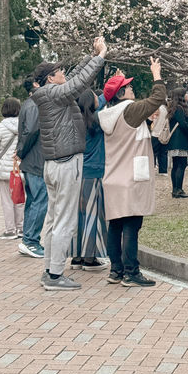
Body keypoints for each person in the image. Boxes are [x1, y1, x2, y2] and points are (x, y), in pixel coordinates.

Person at [32, 36, 107, 291]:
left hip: (54, 164)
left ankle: (49, 270)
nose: (63, 72)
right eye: (58, 71)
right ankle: (55, 275)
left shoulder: (48, 94)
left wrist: (90, 54)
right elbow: (79, 83)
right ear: (50, 79)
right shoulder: (56, 94)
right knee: (65, 220)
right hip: (66, 164)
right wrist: (100, 57)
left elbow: (75, 76)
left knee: (53, 219)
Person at [99, 57, 167, 287]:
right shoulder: (130, 110)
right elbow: (158, 98)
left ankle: (116, 271)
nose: (131, 88)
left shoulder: (109, 114)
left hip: (113, 177)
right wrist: (156, 74)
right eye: (127, 87)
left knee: (115, 225)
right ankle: (131, 272)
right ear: (120, 94)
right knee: (131, 225)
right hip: (130, 177)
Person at [71, 89, 109, 271]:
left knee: (78, 215)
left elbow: (101, 100)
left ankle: (76, 256)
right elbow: (102, 103)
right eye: (95, 96)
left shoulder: (75, 120)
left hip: (78, 172)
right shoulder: (97, 120)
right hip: (94, 172)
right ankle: (89, 257)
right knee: (92, 214)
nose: (97, 98)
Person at [16, 75, 47, 258]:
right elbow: (31, 130)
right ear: (36, 84)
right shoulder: (35, 104)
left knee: (33, 200)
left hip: (31, 159)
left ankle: (28, 239)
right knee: (39, 200)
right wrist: (21, 150)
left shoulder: (29, 103)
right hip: (36, 159)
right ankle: (31, 240)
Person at [0, 96, 24, 240]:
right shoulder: (24, 125)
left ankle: (10, 230)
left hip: (4, 169)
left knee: (7, 200)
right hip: (20, 168)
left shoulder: (0, 127)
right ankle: (21, 228)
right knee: (21, 199)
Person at [167, 88, 188, 198]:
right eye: (185, 94)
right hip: (180, 140)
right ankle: (178, 189)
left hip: (174, 141)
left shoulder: (173, 108)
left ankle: (175, 189)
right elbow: (183, 125)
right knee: (181, 165)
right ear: (181, 96)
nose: (187, 95)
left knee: (176, 165)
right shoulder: (180, 108)